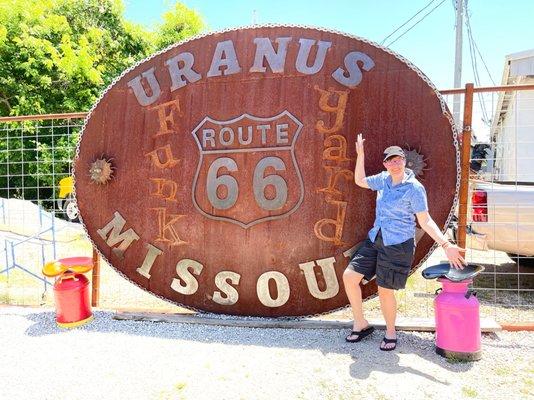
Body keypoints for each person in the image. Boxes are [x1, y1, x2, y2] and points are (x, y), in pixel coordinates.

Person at [343, 133, 466, 351]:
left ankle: (391, 331)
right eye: (391, 160)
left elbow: (425, 220)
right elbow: (360, 181)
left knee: (384, 289)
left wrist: (446, 245)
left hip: (398, 244)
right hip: (377, 238)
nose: (395, 163)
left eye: (398, 159)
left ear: (404, 161)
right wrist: (360, 155)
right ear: (385, 164)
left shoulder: (414, 188)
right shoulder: (383, 179)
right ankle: (360, 323)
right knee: (350, 277)